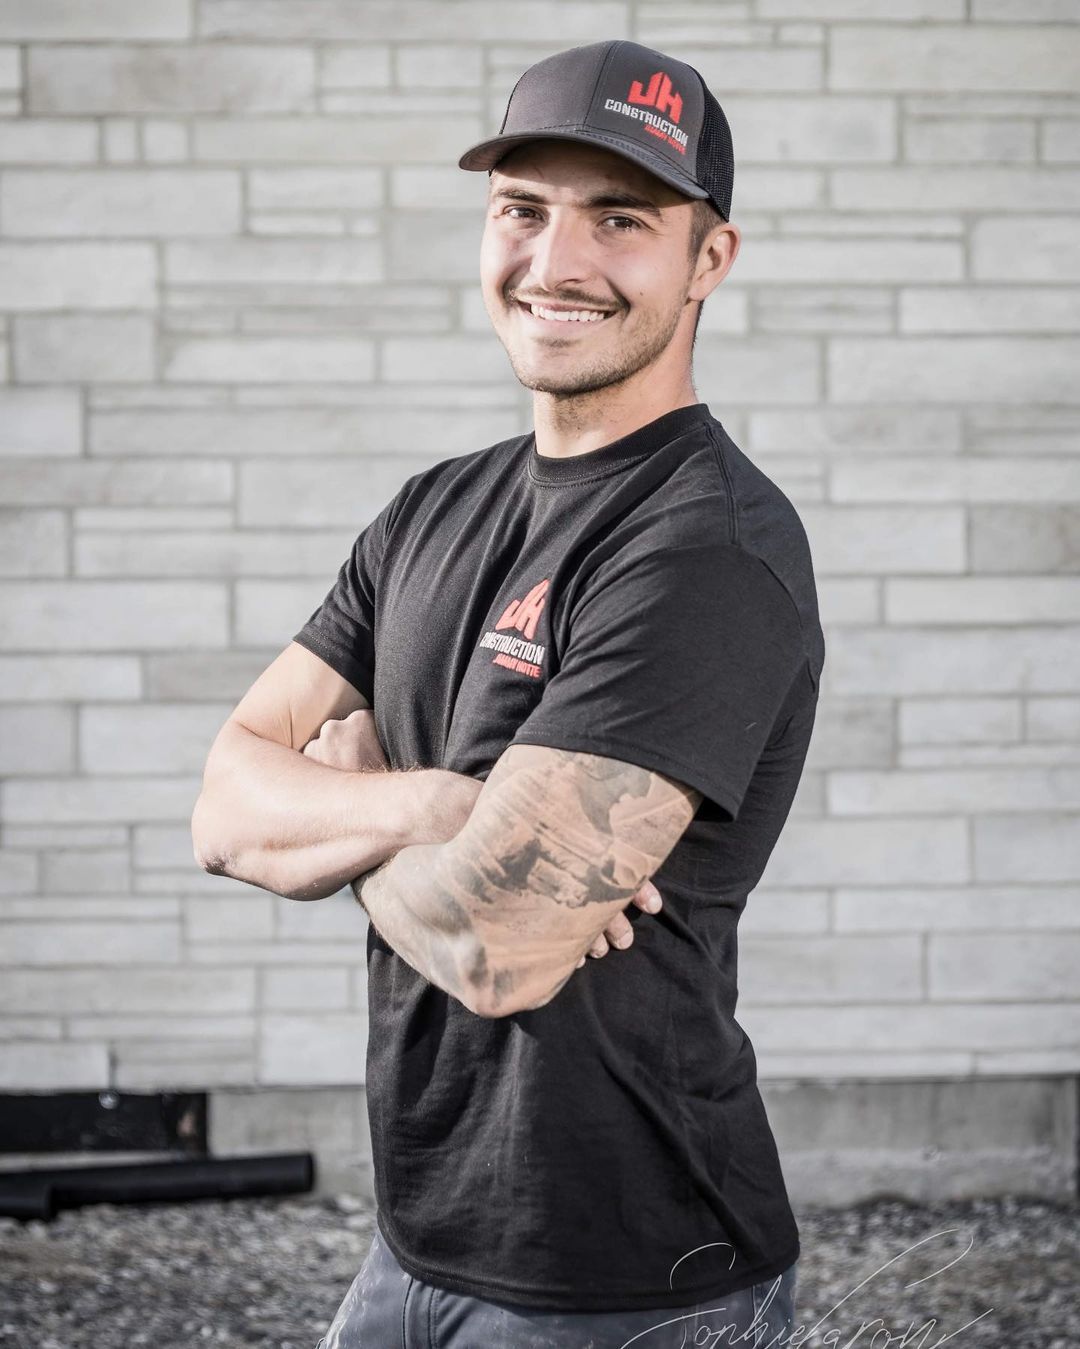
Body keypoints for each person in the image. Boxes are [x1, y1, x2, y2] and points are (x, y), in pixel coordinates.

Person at [193, 37, 823, 1349]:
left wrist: (348, 812)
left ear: (711, 258)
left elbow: (501, 943)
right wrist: (436, 806)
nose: (558, 261)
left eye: (622, 219)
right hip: (416, 1236)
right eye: (522, 209)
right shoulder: (429, 511)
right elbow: (225, 804)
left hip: (638, 1272)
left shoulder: (708, 547)